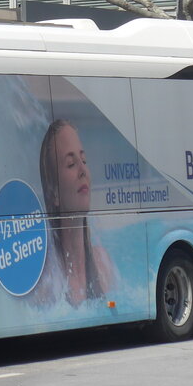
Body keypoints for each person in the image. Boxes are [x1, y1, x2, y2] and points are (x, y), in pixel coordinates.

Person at [34, 119, 116, 307]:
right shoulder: (47, 284)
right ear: (54, 193)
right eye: (71, 164)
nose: (83, 171)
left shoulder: (104, 264)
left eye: (84, 160)